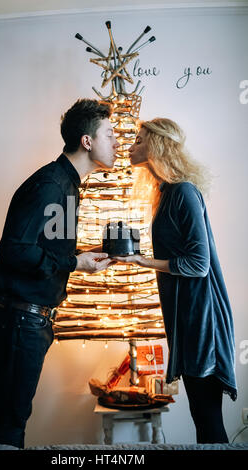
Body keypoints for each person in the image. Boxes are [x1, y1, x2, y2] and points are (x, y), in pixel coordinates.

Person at [0, 98, 119, 448]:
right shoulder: (52, 185)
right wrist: (74, 263)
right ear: (87, 141)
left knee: (12, 419)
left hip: (29, 321)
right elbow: (15, 249)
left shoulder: (67, 186)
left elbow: (45, 250)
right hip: (20, 320)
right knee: (10, 423)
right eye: (110, 134)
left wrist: (81, 258)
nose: (117, 142)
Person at [113, 118, 237, 443]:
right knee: (202, 416)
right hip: (187, 320)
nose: (131, 146)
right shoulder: (166, 193)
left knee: (208, 421)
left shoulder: (184, 192)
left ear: (156, 146)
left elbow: (198, 264)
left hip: (203, 321)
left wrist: (142, 261)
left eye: (138, 141)